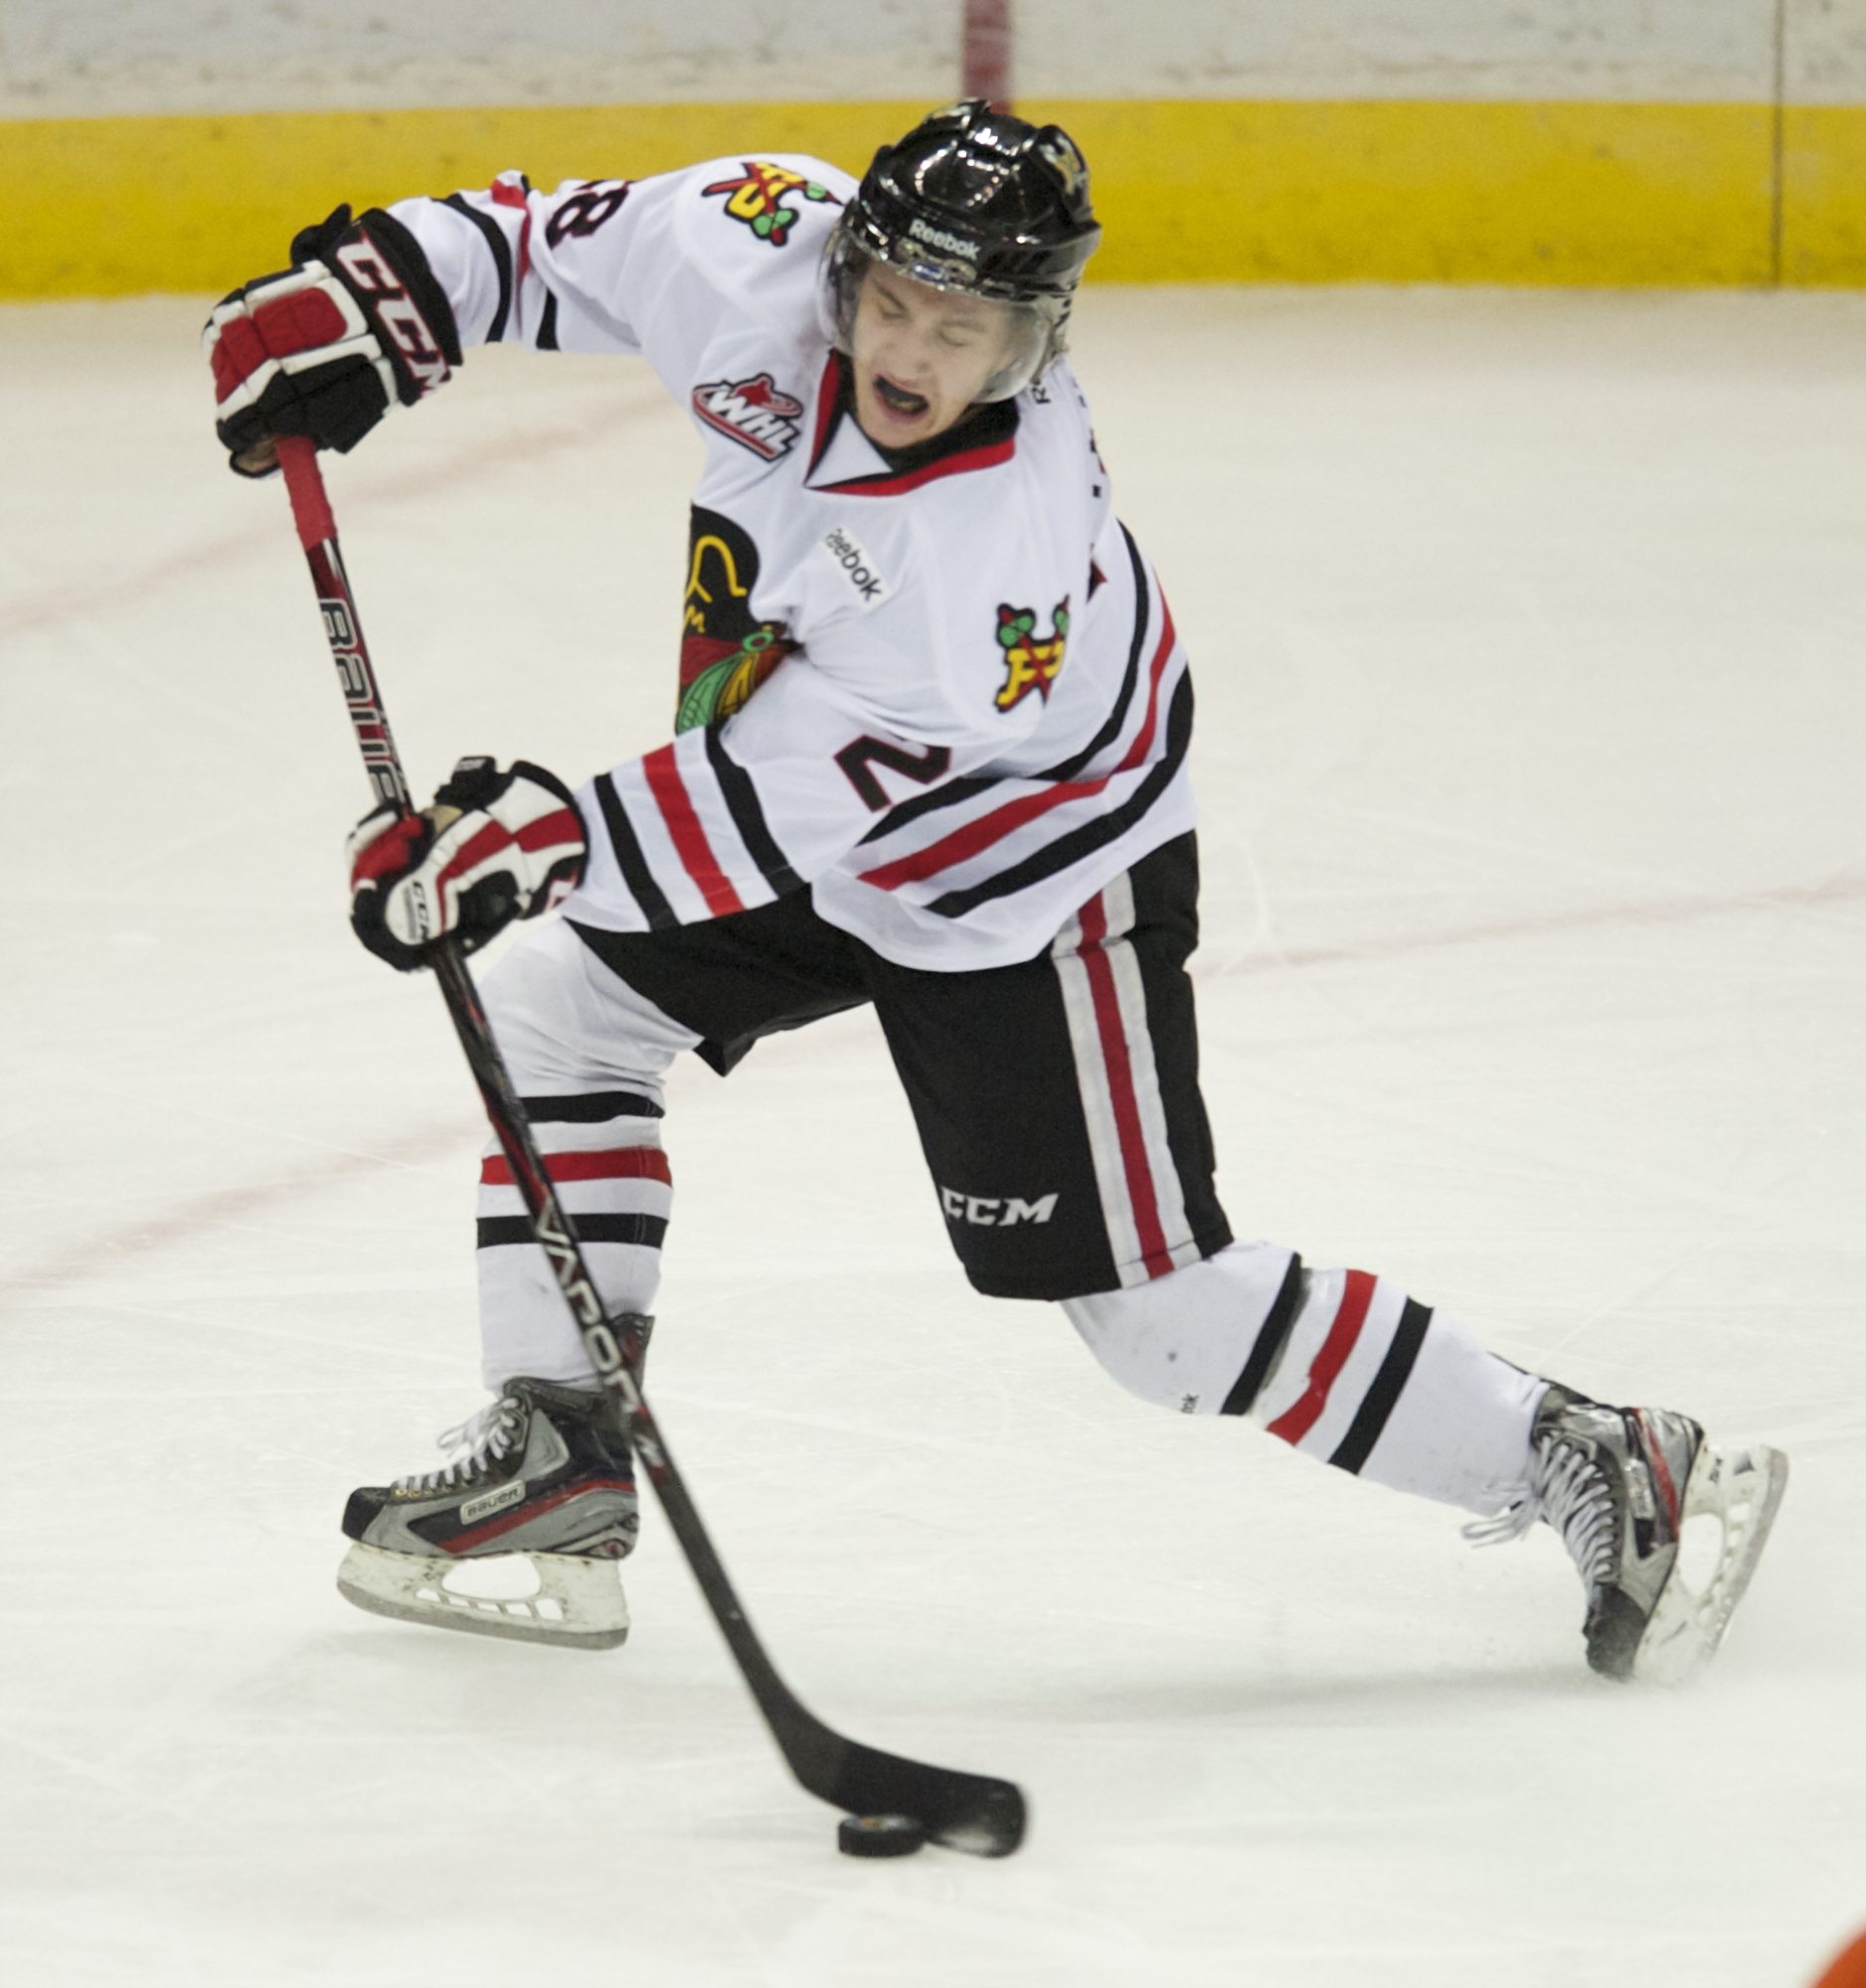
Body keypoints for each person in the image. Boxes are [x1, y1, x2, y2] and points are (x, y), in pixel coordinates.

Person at [206, 101, 1786, 1678]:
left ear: (1031, 337)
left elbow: (773, 825)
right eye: (890, 303)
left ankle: (1594, 1458)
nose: (908, 351)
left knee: (1155, 1318)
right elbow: (550, 240)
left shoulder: (985, 565)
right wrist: (374, 298)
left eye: (959, 330)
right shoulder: (767, 236)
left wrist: (526, 846)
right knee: (560, 1013)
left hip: (1029, 859)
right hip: (806, 789)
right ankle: (560, 1456)